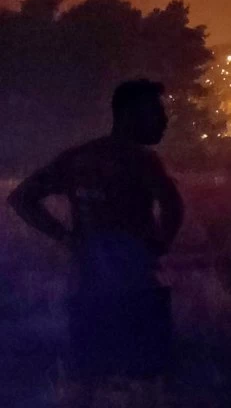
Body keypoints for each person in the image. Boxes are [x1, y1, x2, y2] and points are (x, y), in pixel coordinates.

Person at [8, 79, 185, 406]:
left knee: (89, 380)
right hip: (137, 290)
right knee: (143, 382)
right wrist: (157, 247)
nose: (164, 121)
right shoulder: (142, 160)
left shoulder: (79, 158)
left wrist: (67, 239)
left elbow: (23, 198)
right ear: (129, 114)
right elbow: (173, 207)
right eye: (156, 112)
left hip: (88, 288)